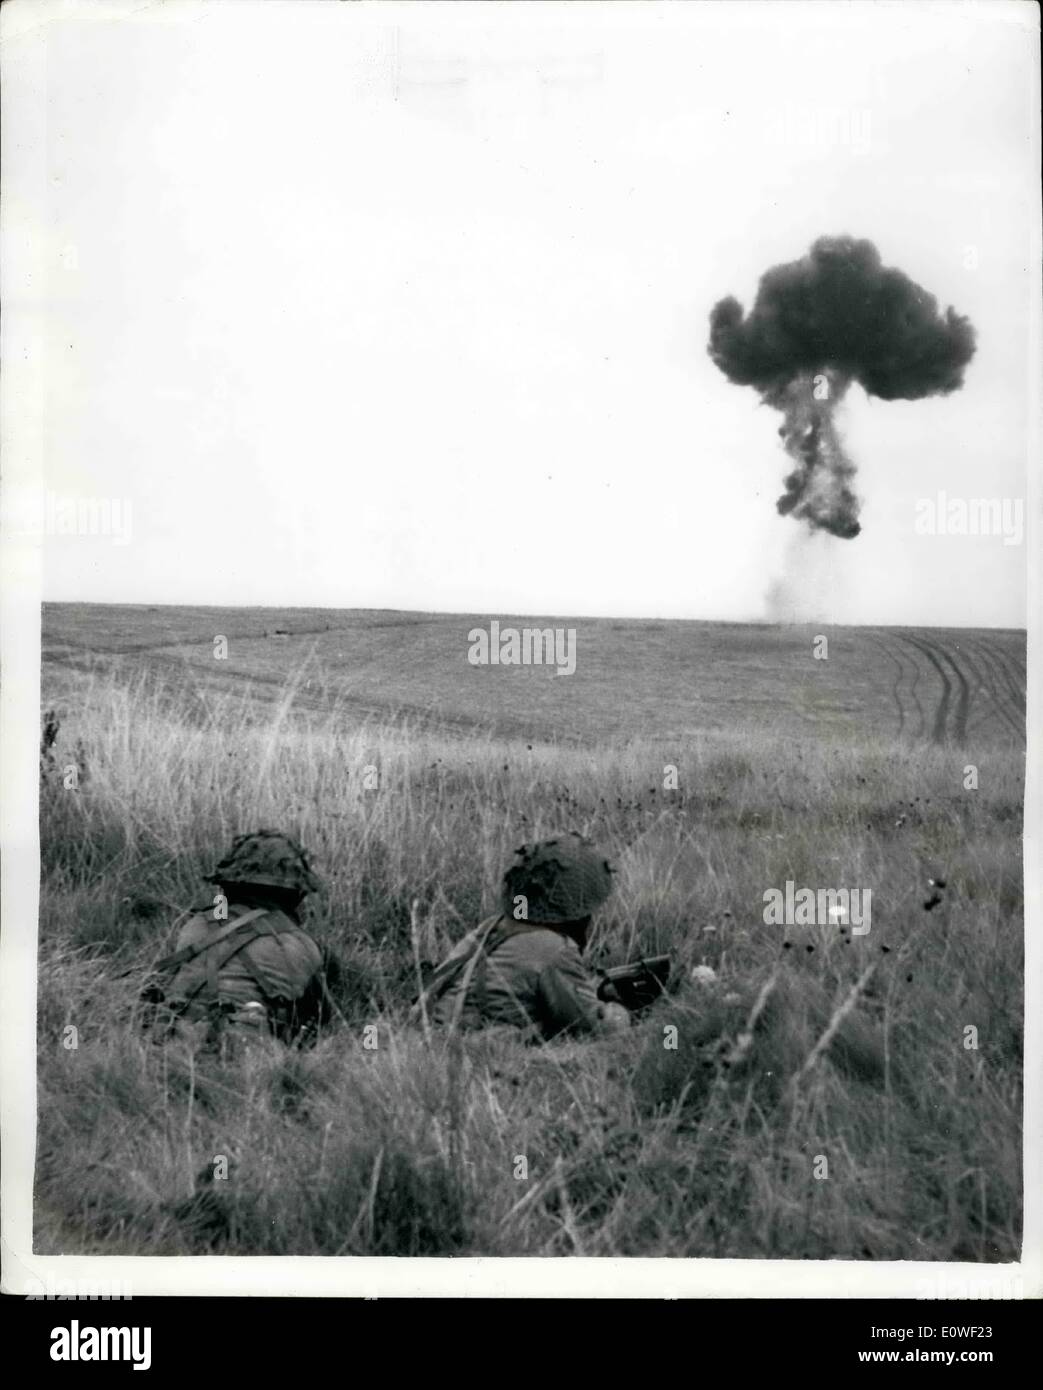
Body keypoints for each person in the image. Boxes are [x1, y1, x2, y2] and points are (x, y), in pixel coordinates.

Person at [416, 833, 630, 1041]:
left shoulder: (492, 927)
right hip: (479, 1051)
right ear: (575, 909)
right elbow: (597, 1027)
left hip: (435, 1035)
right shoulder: (555, 949)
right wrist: (619, 1010)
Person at [141, 830, 338, 1051]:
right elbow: (319, 1024)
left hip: (168, 1044)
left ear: (227, 885)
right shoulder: (301, 945)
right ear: (296, 894)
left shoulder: (195, 925)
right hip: (247, 1056)